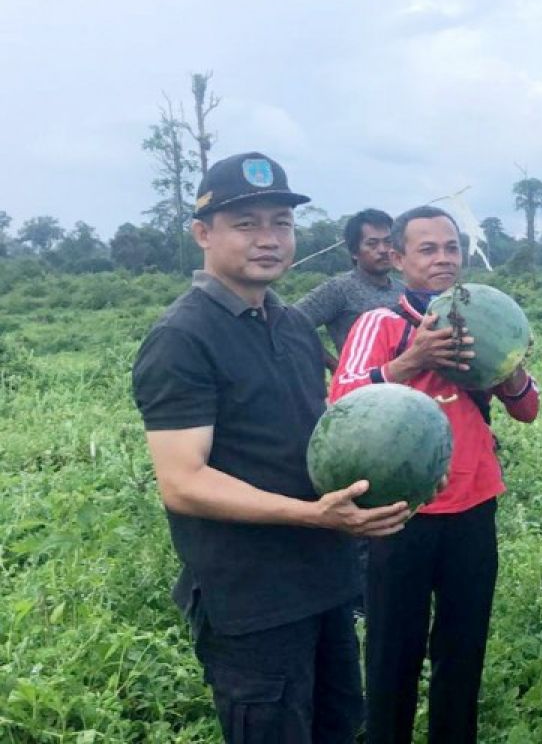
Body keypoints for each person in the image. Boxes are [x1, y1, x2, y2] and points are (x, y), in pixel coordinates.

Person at [132, 152, 412, 743]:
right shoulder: (182, 337)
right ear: (203, 234)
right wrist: (312, 515)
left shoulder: (290, 326)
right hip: (254, 602)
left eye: (281, 223)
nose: (269, 239)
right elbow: (183, 481)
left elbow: (318, 436)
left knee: (339, 729)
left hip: (326, 582)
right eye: (246, 223)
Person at [329, 205, 540, 744]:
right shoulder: (381, 322)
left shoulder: (479, 319)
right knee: (392, 648)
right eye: (427, 249)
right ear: (398, 258)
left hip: (474, 501)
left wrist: (508, 365)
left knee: (463, 645)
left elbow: (527, 408)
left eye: (451, 248)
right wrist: (412, 359)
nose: (443, 258)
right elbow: (342, 402)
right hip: (401, 512)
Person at [295, 208, 402, 370]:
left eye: (388, 242)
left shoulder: (404, 290)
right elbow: (292, 324)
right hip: (361, 390)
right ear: (354, 252)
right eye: (372, 244)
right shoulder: (339, 289)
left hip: (406, 388)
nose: (383, 250)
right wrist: (336, 367)